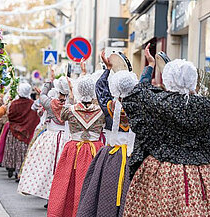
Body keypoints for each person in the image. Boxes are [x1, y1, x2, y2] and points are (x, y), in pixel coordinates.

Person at [122, 49, 210, 216]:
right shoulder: (205, 106)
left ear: (169, 80)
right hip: (199, 174)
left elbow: (136, 93)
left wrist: (150, 66)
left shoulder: (159, 102)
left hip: (162, 173)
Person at [76, 50, 139, 217]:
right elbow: (145, 86)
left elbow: (100, 88)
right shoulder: (141, 108)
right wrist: (151, 67)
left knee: (105, 191)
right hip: (134, 157)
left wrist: (108, 69)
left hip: (111, 157)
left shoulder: (110, 106)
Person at [47, 75, 105, 217]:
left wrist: (72, 94)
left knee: (69, 184)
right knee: (94, 184)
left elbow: (62, 115)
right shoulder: (101, 111)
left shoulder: (69, 110)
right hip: (95, 150)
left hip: (74, 150)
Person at [18, 71, 70, 203]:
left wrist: (49, 80)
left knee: (47, 167)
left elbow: (42, 95)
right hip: (67, 138)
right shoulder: (72, 105)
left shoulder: (50, 103)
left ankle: (48, 193)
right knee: (62, 168)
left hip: (50, 138)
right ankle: (60, 195)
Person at [2, 83, 40, 179]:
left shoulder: (14, 103)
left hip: (14, 130)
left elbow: (10, 116)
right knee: (22, 151)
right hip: (26, 131)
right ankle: (20, 171)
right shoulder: (32, 104)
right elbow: (35, 118)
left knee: (12, 149)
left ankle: (10, 166)